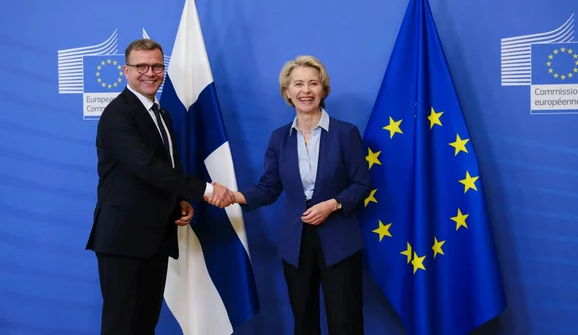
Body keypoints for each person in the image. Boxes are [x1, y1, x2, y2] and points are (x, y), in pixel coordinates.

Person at [207, 55, 371, 335]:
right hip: (296, 244)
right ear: (287, 92)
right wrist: (235, 197)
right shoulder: (279, 138)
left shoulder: (346, 133)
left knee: (345, 323)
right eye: (298, 84)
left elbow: (362, 184)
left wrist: (333, 204)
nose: (305, 90)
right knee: (304, 323)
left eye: (313, 83)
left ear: (323, 90)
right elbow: (269, 188)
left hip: (340, 241)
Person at [85, 39, 233, 335]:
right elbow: (146, 168)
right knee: (121, 325)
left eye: (156, 66)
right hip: (124, 240)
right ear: (126, 71)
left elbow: (165, 168)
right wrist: (205, 190)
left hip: (154, 238)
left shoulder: (161, 114)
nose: (149, 72)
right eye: (141, 66)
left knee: (144, 324)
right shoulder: (118, 114)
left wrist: (179, 199)